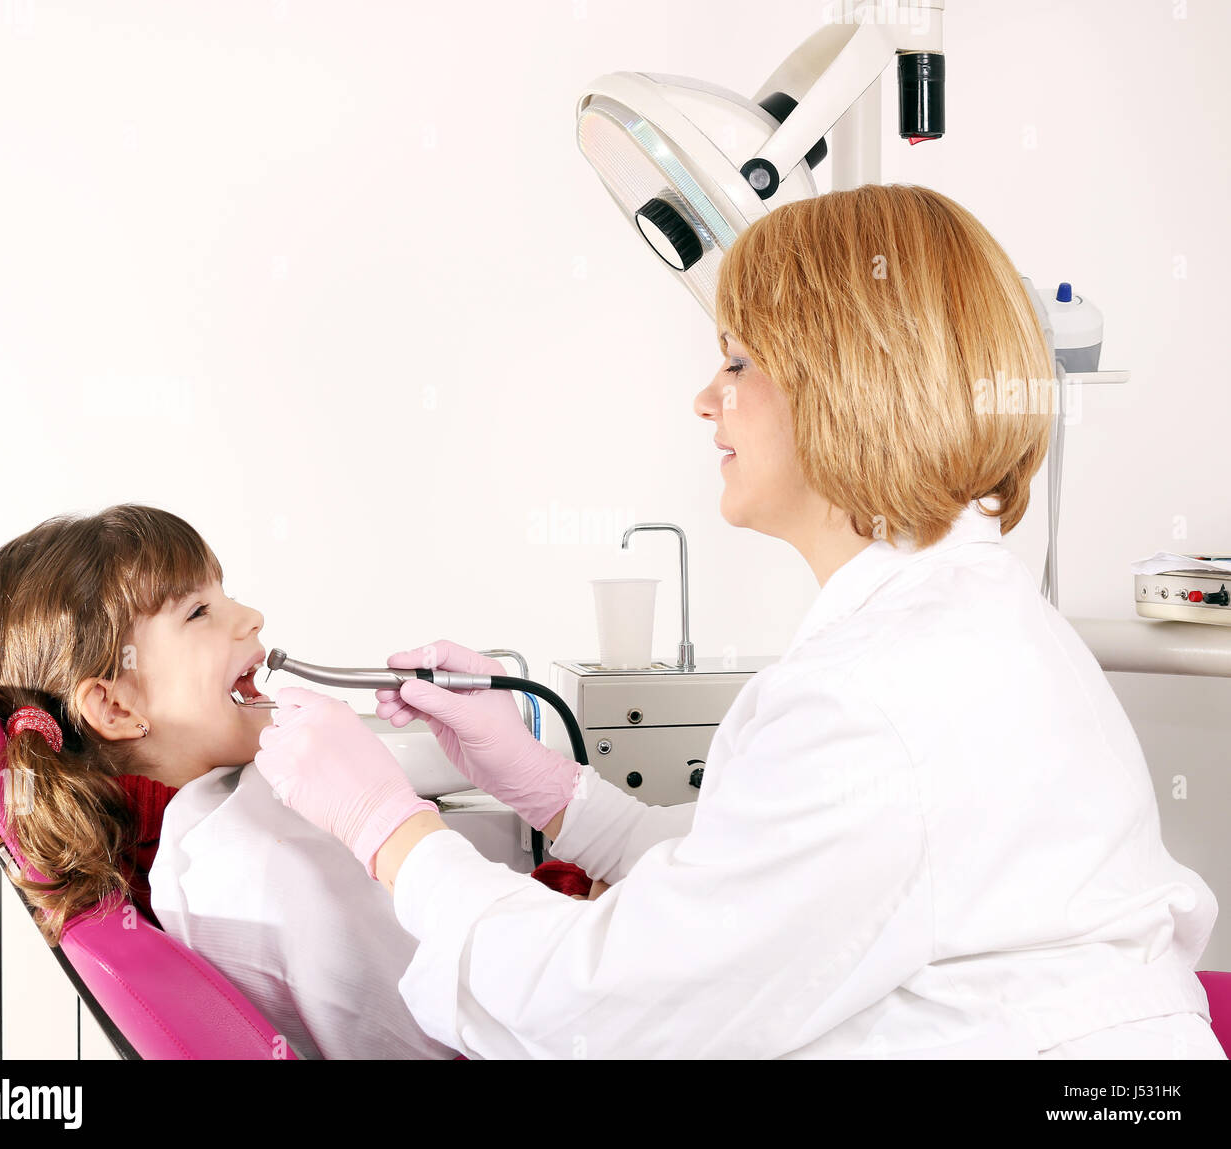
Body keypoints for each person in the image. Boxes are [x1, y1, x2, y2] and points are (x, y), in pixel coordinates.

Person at [253, 183, 1225, 1060]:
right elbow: (760, 882)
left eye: (736, 362)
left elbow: (610, 1006)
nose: (704, 399)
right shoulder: (965, 624)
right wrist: (556, 793)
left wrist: (388, 829)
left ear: (846, 381)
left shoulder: (881, 697)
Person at [0, 505, 453, 1060]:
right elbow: (449, 1034)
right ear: (117, 708)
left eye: (225, 595)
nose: (252, 616)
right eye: (197, 612)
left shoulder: (226, 824)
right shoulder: (245, 861)